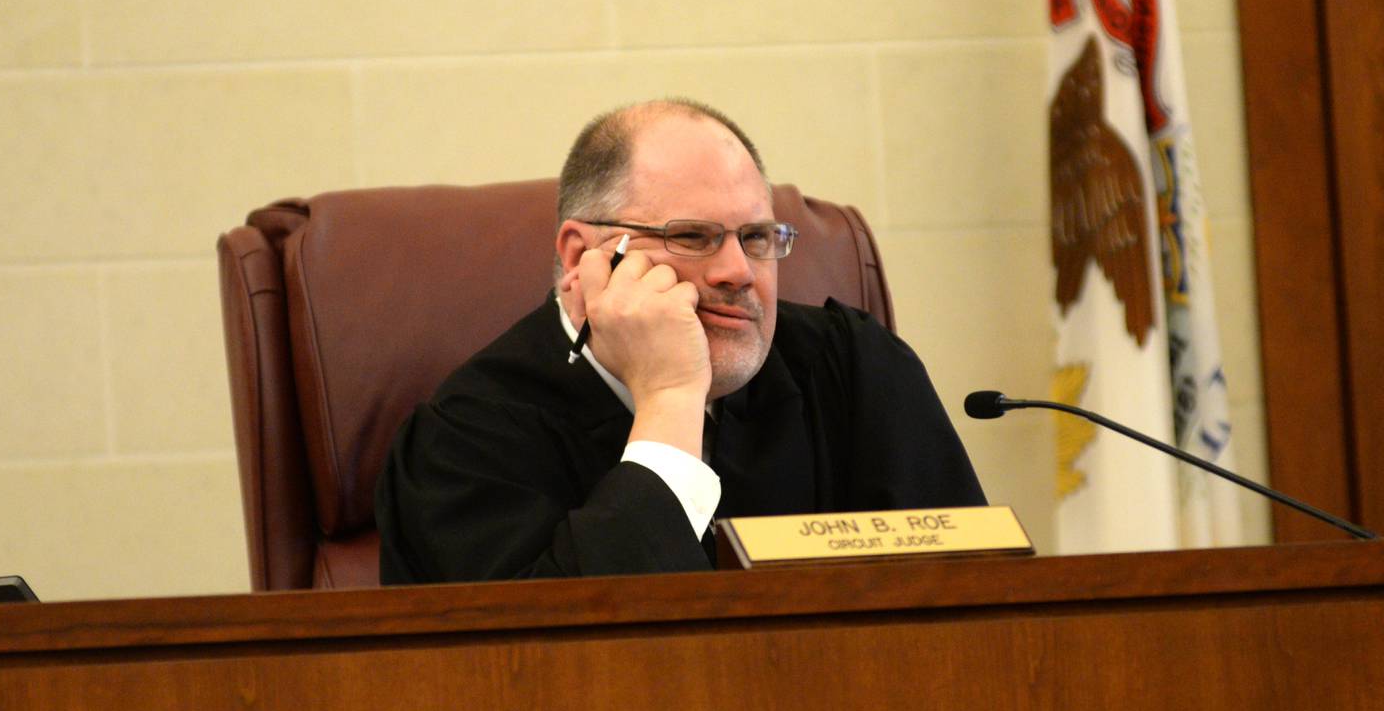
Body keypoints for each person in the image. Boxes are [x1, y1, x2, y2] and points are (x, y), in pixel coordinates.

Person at [376, 99, 984, 584]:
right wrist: (671, 397)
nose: (738, 271)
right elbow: (559, 676)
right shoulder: (463, 441)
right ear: (581, 257)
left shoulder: (852, 369)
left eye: (755, 237)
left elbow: (974, 603)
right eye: (692, 237)